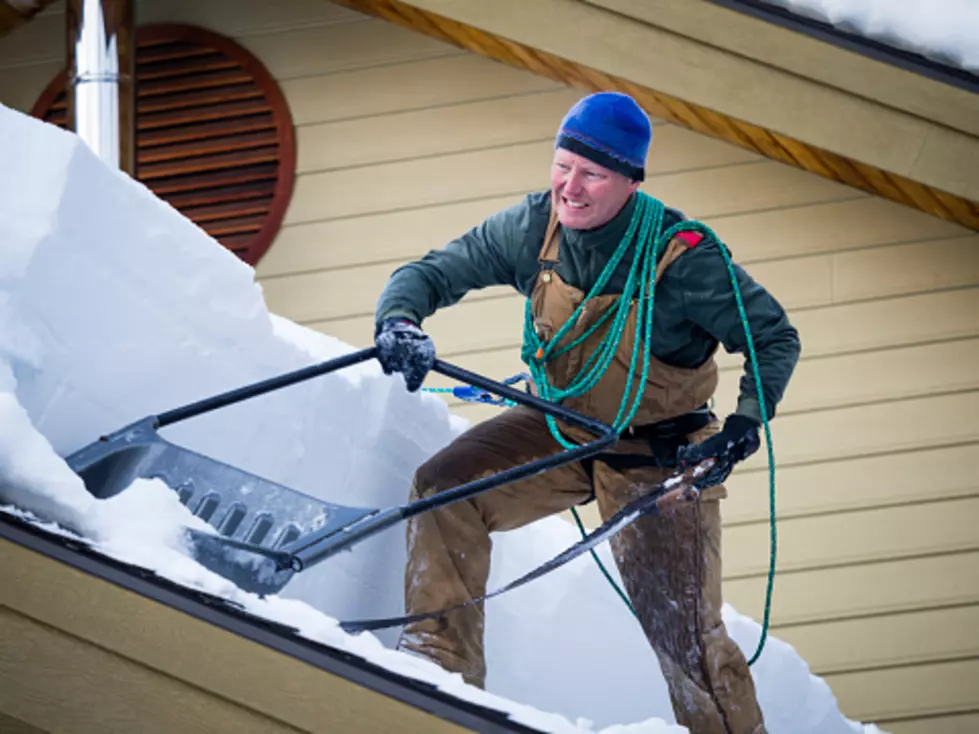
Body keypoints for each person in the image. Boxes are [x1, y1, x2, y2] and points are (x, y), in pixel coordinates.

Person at [372, 91, 800, 734]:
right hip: (561, 426)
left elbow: (773, 337)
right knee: (444, 491)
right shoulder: (534, 227)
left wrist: (742, 426)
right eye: (563, 164)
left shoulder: (681, 258)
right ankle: (441, 676)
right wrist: (399, 321)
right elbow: (434, 271)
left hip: (660, 456)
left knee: (686, 638)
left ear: (630, 182)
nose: (571, 186)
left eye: (593, 174)